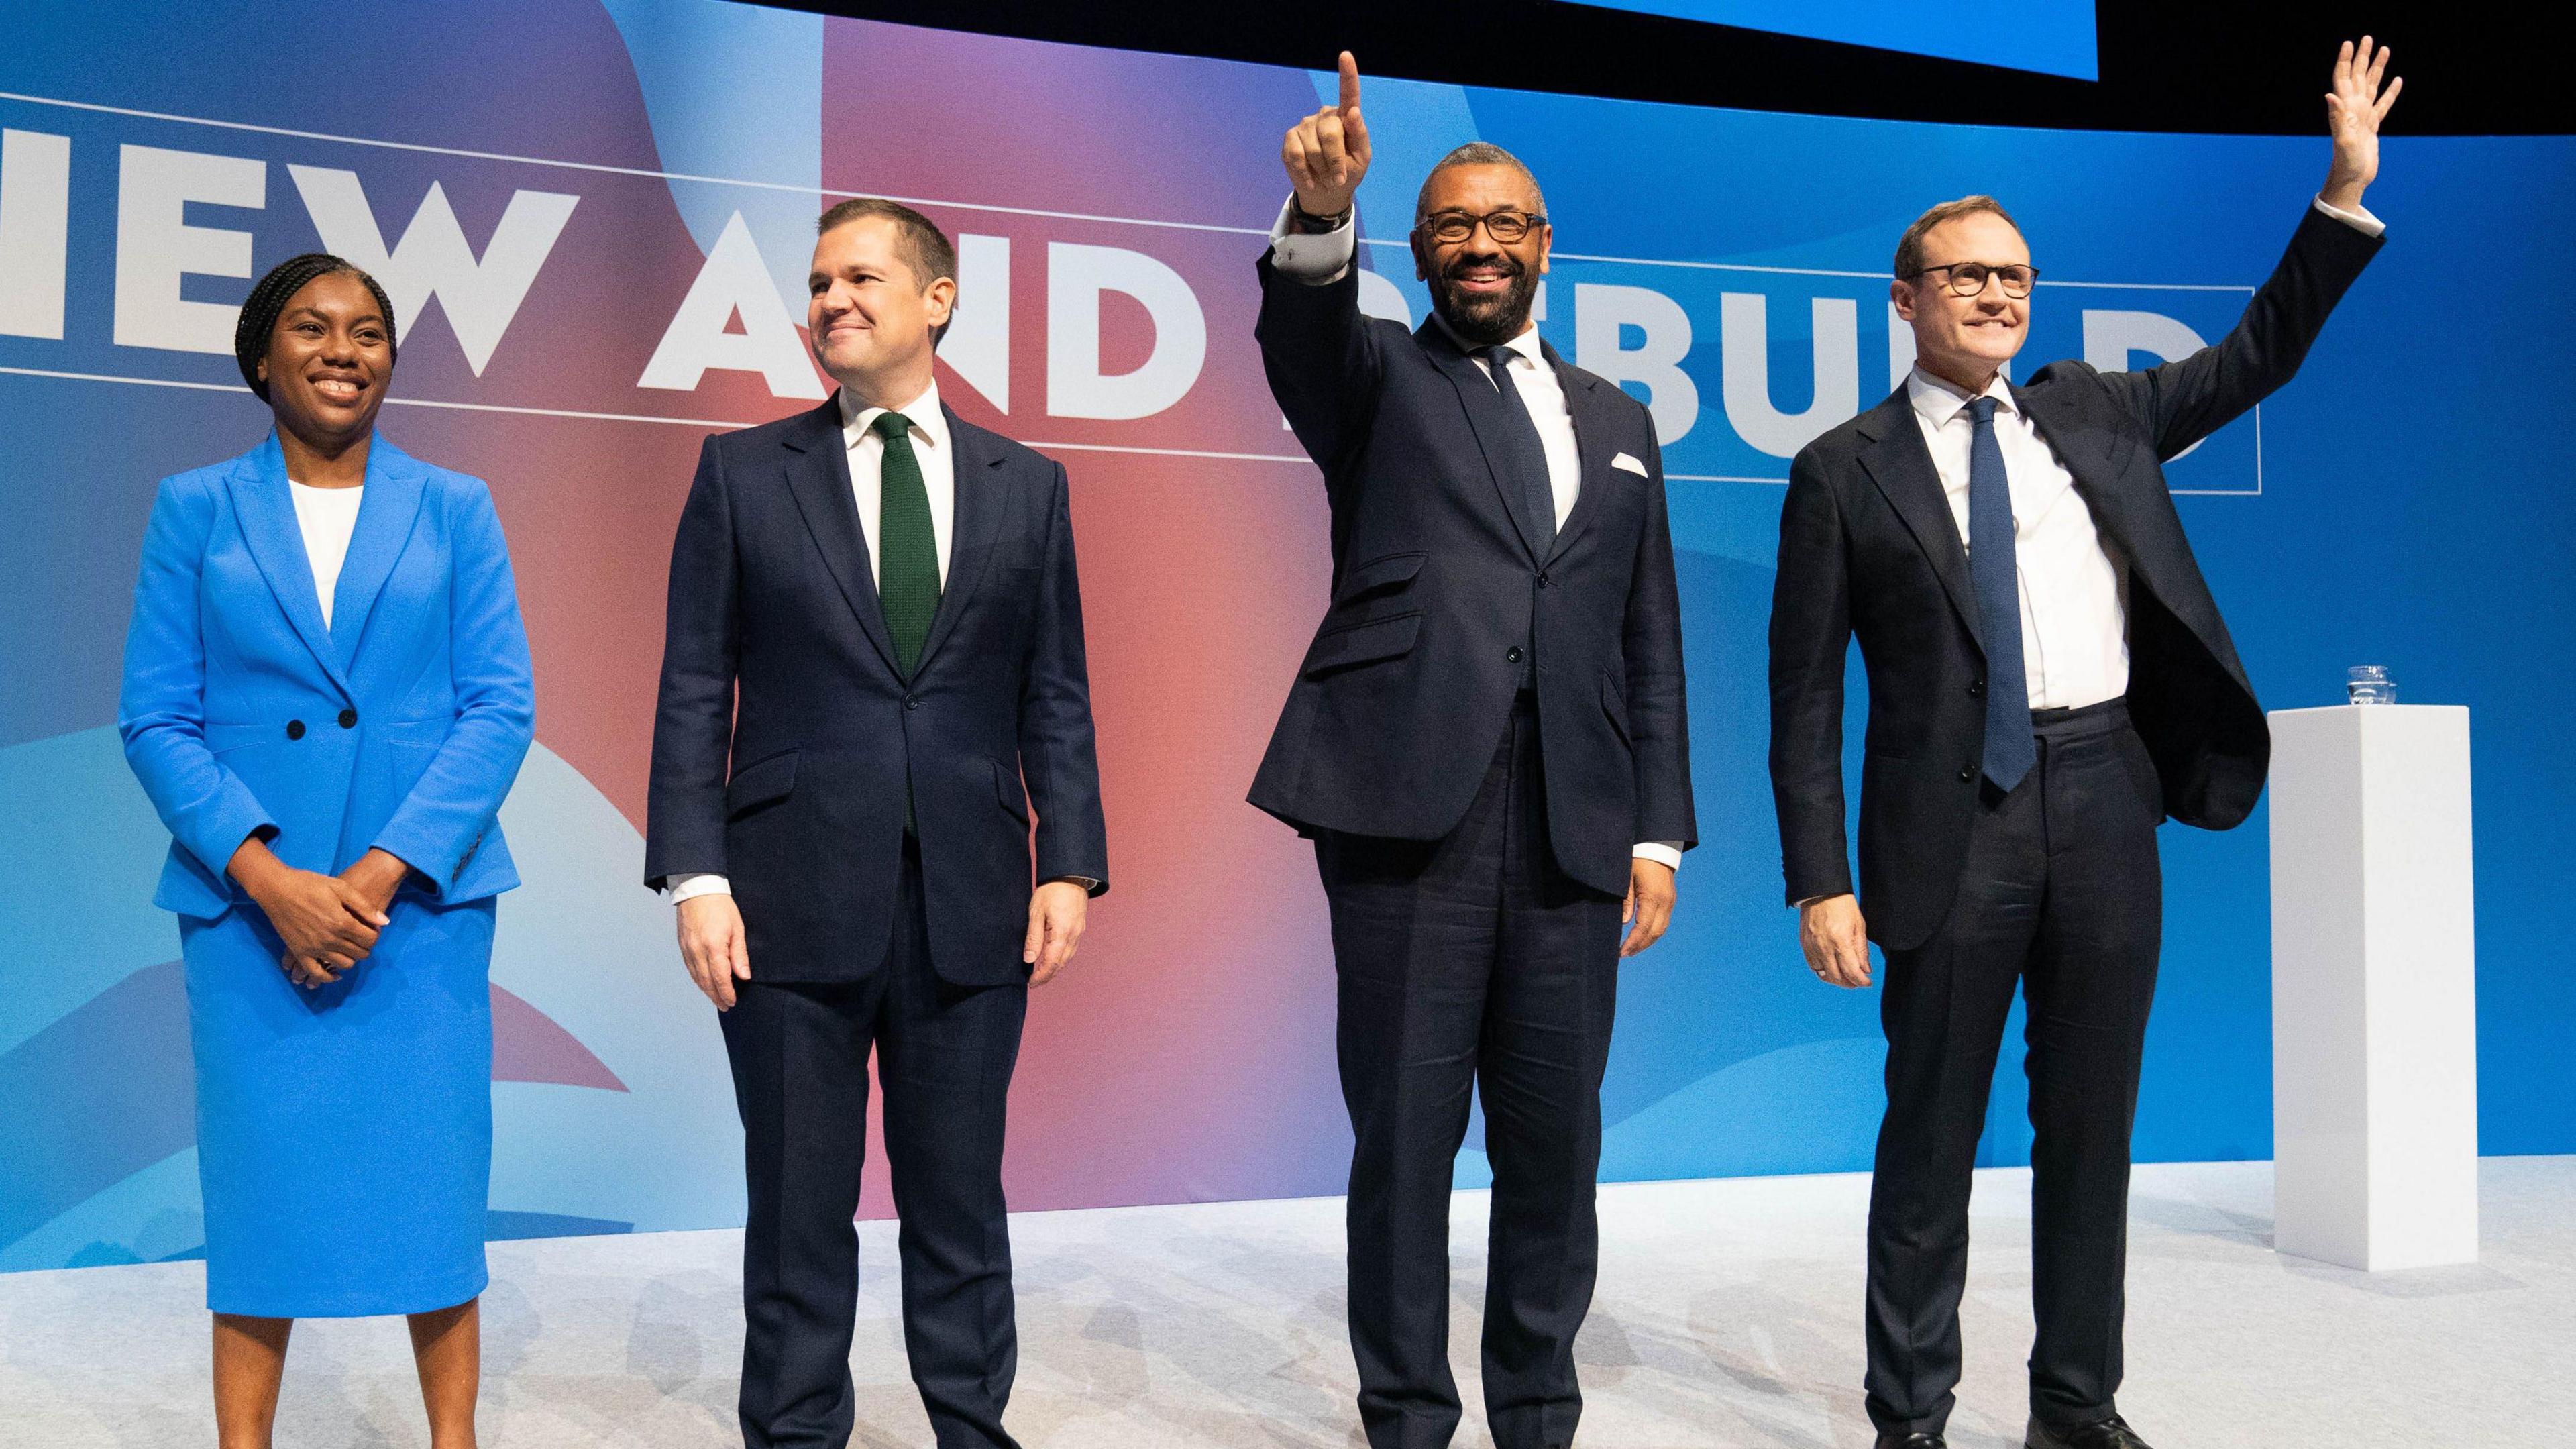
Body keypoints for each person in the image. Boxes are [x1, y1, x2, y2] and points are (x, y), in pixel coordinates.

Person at [1766, 39, 2402, 1449]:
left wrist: (2342, 195)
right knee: (1929, 1138)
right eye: (1964, 274)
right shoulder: (1840, 472)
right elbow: (1805, 697)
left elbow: (2259, 352)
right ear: (1907, 298)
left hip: (2109, 796)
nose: (1994, 292)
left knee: (2091, 1133)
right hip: (1949, 824)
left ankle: (2075, 1406)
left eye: (2012, 273)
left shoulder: (2097, 411)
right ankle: (1911, 1413)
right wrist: (1820, 879)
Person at [1254, 54, 1694, 1449]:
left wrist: (1656, 830)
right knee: (1406, 1144)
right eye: (1453, 224)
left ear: (1546, 245)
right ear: (1425, 247)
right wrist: (1324, 220)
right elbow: (1305, 338)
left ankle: (1538, 1410)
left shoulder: (1620, 423)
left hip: (1574, 824)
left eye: (1507, 223)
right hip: (1405, 811)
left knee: (1558, 1148)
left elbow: (1648, 634)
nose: (1482, 244)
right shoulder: (1380, 374)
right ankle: (1405, 1415)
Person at [645, 197, 1108, 1449]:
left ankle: (972, 1428)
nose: (830, 301)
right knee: (797, 1208)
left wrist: (1068, 862)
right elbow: (696, 685)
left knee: (960, 1205)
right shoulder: (743, 474)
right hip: (784, 898)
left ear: (936, 300)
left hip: (971, 897)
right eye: (816, 283)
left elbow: (1053, 692)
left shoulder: (1032, 486)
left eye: (860, 277)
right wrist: (695, 875)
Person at [119, 252, 536, 1449]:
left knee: (433, 1192)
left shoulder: (456, 505)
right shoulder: (194, 507)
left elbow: (500, 707)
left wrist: (372, 879)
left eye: (368, 331)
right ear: (262, 356)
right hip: (251, 916)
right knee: (263, 1203)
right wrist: (271, 881)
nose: (343, 349)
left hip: (420, 911)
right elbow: (156, 716)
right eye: (312, 327)